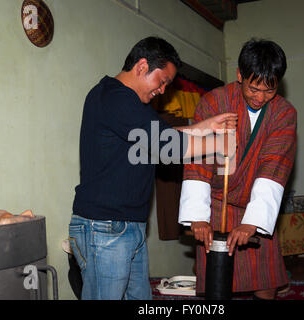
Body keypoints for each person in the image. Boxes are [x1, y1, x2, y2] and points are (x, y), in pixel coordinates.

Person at [69, 36, 237, 300]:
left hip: (127, 226)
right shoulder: (114, 97)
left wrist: (204, 127)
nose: (162, 91)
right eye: (163, 81)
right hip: (104, 226)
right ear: (142, 66)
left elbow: (156, 137)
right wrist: (220, 144)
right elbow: (166, 146)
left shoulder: (131, 104)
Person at [179, 38, 297, 300]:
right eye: (254, 89)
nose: (260, 98)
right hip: (216, 202)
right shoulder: (215, 102)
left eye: (269, 90)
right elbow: (198, 158)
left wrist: (253, 222)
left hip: (257, 203)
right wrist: (198, 216)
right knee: (216, 278)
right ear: (239, 75)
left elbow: (275, 165)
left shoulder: (284, 113)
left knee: (266, 276)